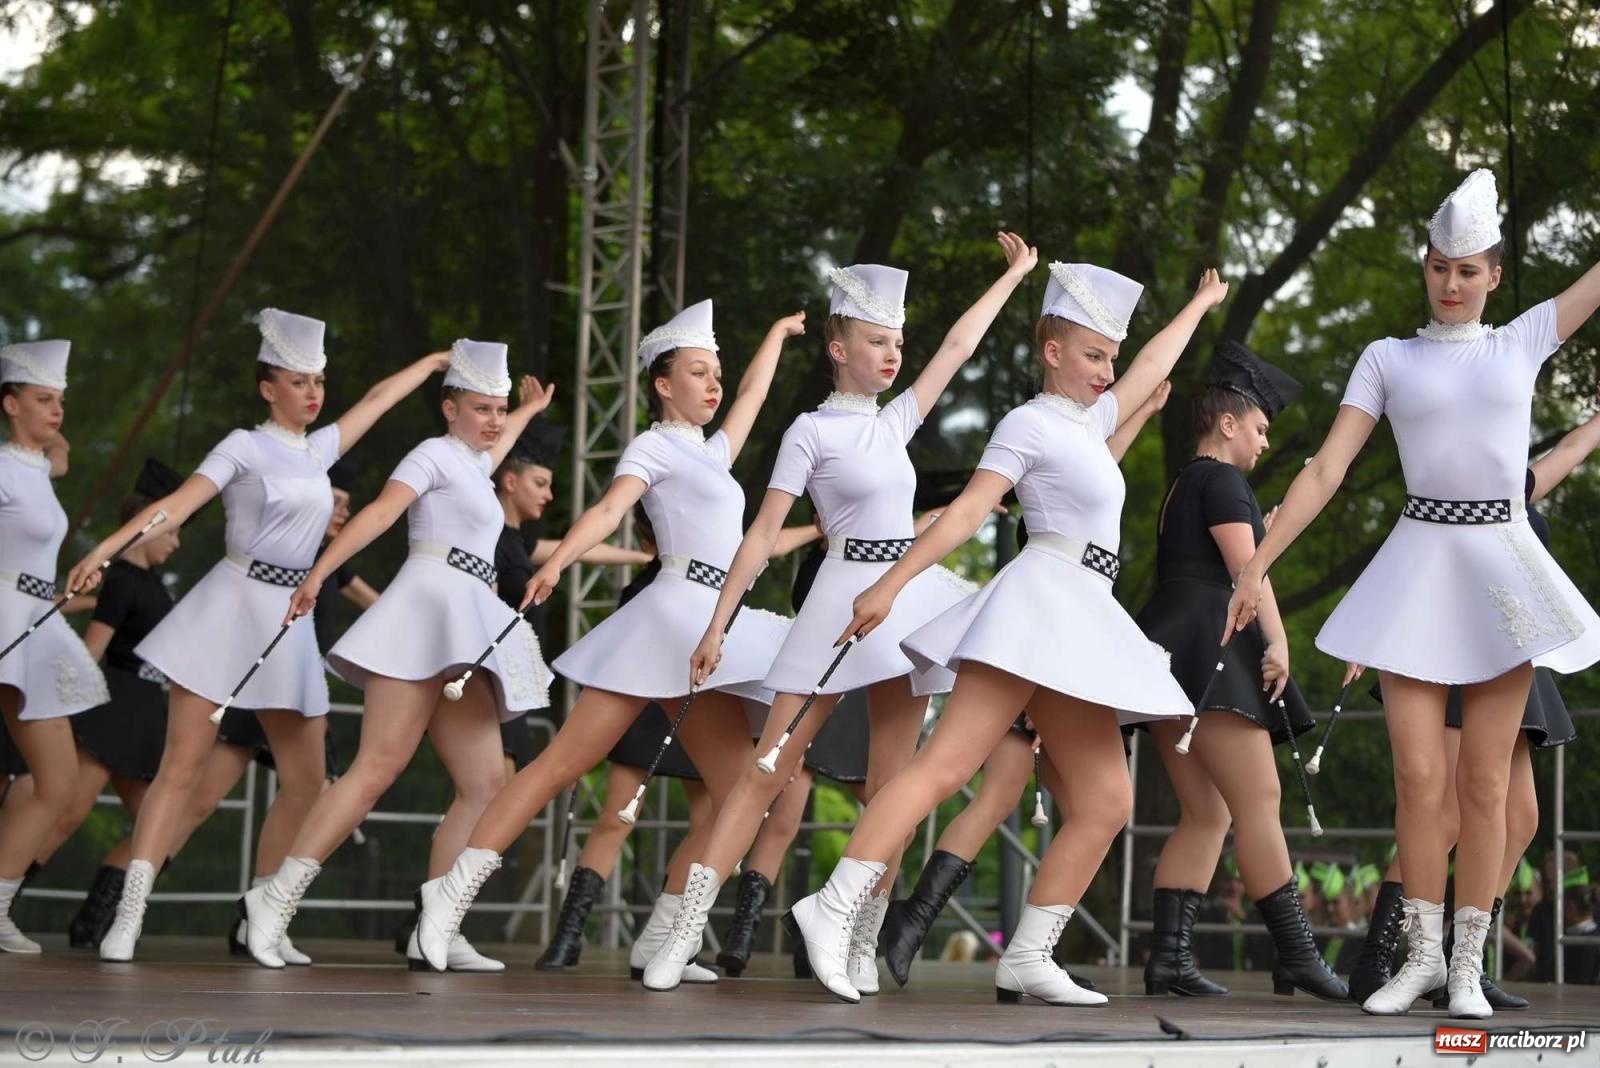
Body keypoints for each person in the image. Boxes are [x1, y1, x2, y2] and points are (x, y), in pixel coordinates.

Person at [789, 263, 1228, 1005]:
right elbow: (968, 511)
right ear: (1052, 351)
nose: (1108, 370)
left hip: (1082, 614)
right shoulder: (1027, 423)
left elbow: (1153, 364)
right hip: (1037, 603)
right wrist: (891, 583)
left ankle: (1028, 955)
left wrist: (1200, 304)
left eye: (1112, 357)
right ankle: (832, 906)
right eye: (1093, 355)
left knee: (1105, 800)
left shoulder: (1093, 422)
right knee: (944, 768)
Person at [1224, 170, 1600, 1019]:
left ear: (1494, 274)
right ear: (1424, 268)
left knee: (1487, 785)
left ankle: (1467, 964)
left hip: (1502, 567)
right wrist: (1256, 566)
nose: (1451, 283)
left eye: (1467, 270)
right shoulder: (1386, 358)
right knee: (1417, 776)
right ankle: (1423, 959)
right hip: (1418, 567)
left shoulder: (1524, 339)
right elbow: (1326, 469)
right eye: (1438, 268)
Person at [641, 238, 1034, 994]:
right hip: (837, 597)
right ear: (838, 348)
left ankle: (858, 937)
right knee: (765, 772)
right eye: (876, 342)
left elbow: (957, 347)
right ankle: (686, 930)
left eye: (897, 343)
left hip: (902, 598)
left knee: (894, 785)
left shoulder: (896, 421)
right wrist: (718, 626)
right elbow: (763, 534)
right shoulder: (810, 431)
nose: (892, 355)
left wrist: (1013, 276)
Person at [413, 302, 802, 974]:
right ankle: (446, 902)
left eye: (716, 373)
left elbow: (753, 395)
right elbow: (609, 508)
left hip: (713, 623)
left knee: (741, 790)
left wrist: (775, 334)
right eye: (698, 372)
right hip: (667, 617)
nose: (713, 383)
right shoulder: (652, 446)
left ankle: (664, 933)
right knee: (560, 766)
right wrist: (558, 563)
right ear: (663, 384)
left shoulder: (714, 452)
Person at [237, 341, 555, 970]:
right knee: (377, 767)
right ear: (449, 408)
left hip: (465, 621)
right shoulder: (432, 454)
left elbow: (496, 441)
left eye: (499, 410)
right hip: (424, 610)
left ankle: (438, 924)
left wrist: (527, 412)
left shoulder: (477, 463)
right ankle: (272, 901)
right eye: (481, 408)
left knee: (486, 784)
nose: (494, 420)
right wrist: (320, 571)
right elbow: (382, 512)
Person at [1132, 341, 1346, 1001]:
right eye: (1258, 427)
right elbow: (1244, 572)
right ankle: (1297, 955)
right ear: (1228, 423)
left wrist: (1262, 531)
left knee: (1207, 811)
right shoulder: (1224, 481)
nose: (1263, 441)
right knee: (1259, 801)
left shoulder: (1184, 484)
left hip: (1168, 649)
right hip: (1212, 647)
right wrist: (1277, 642)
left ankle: (1168, 960)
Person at [0, 339, 109, 953]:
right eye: (43, 399)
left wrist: (48, 436)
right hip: (7, 618)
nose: (58, 410)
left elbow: (59, 454)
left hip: (37, 623)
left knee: (57, 780)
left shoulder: (39, 467)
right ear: (10, 403)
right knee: (53, 778)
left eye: (61, 400)